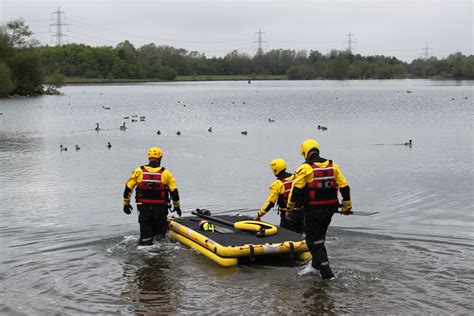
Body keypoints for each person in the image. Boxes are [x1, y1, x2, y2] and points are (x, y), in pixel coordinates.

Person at [286, 139, 352, 280]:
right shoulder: (332, 166)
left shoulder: (305, 168)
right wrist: (347, 206)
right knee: (320, 238)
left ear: (305, 152)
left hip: (313, 210)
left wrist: (289, 209)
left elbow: (295, 190)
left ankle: (327, 274)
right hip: (329, 210)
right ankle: (316, 266)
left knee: (312, 242)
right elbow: (344, 187)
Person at [122, 147, 182, 245]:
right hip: (160, 209)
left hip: (144, 208)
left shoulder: (139, 171)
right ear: (160, 158)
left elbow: (128, 188)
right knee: (160, 238)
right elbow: (174, 192)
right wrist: (177, 206)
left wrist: (126, 203)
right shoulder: (166, 173)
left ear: (149, 158)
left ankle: (145, 244)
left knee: (145, 238)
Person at [254, 158, 304, 233]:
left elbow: (270, 203)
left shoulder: (277, 184)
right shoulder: (296, 178)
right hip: (302, 214)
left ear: (275, 170)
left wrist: (259, 215)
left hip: (287, 216)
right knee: (302, 235)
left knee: (286, 236)